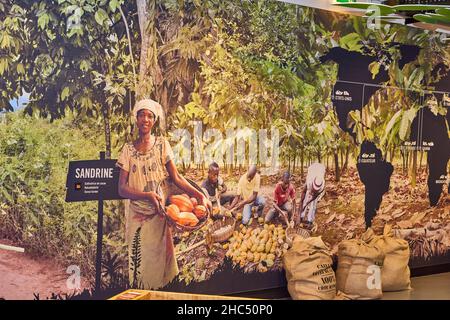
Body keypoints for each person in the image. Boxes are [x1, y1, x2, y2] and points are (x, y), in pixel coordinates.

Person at [117, 99, 211, 290]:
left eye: (150, 116)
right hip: (138, 218)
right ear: (136, 118)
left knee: (162, 268)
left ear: (154, 121)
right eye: (142, 114)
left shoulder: (161, 144)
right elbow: (121, 189)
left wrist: (200, 195)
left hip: (160, 216)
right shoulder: (128, 150)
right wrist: (147, 196)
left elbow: (176, 178)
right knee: (141, 267)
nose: (145, 119)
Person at [298, 163, 326, 229]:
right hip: (313, 170)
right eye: (313, 189)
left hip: (320, 170)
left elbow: (314, 197)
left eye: (315, 190)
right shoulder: (309, 181)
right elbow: (303, 194)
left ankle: (310, 220)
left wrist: (309, 202)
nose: (314, 191)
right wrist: (302, 207)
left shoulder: (321, 187)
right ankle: (301, 217)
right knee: (305, 200)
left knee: (313, 204)